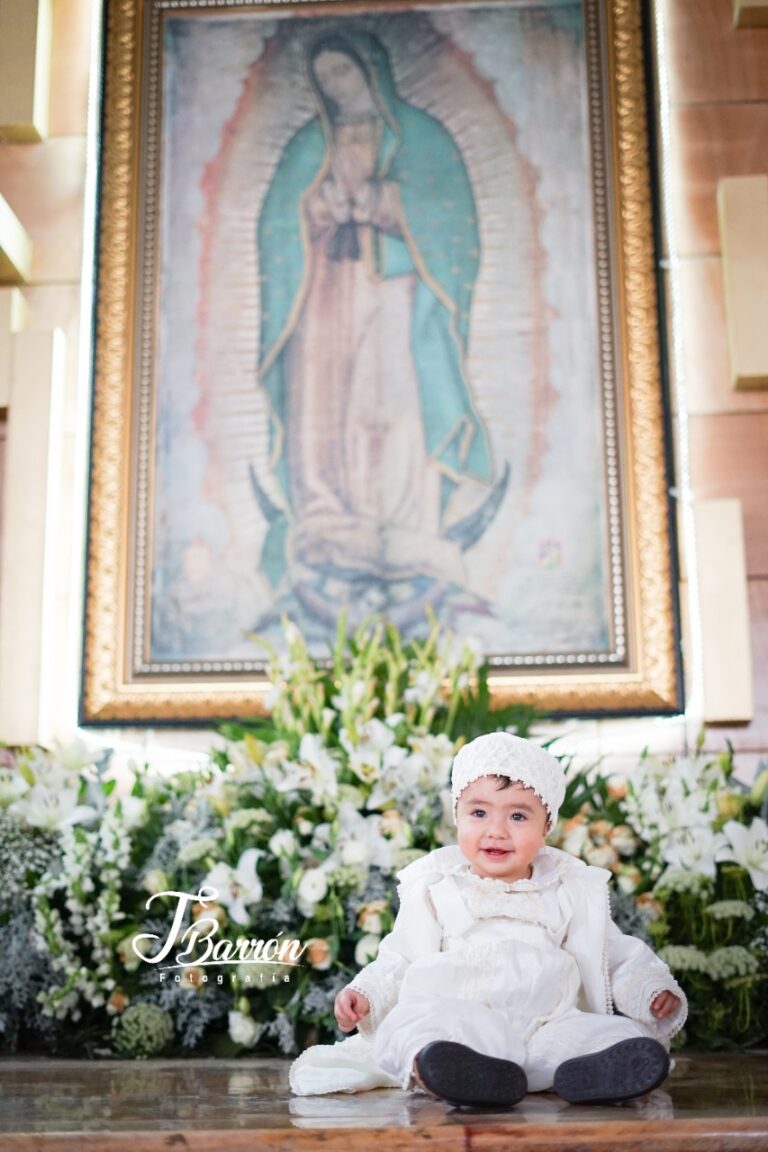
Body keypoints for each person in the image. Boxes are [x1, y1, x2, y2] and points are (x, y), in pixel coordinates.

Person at [290, 731, 687, 1107]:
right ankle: (446, 1071)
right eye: (479, 812)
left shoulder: (567, 888)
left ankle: (589, 1074)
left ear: (546, 825)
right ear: (457, 815)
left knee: (608, 1035)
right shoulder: (438, 884)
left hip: (548, 1024)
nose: (496, 831)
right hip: (462, 1019)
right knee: (417, 1026)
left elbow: (613, 956)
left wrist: (648, 991)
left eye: (518, 817)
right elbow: (401, 958)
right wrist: (368, 995)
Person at [256, 31, 499, 612]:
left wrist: (388, 206)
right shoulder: (308, 146)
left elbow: (452, 222)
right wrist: (314, 209)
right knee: (323, 402)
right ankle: (327, 519)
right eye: (327, 78)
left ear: (372, 70)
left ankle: (403, 523)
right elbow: (275, 226)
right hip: (322, 295)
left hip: (395, 292)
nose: (336, 88)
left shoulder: (422, 140)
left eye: (345, 73)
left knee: (392, 399)